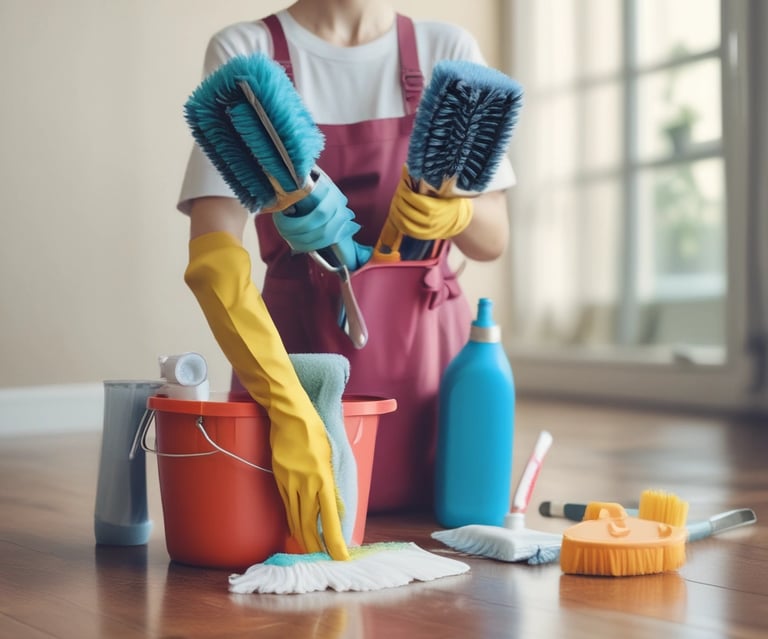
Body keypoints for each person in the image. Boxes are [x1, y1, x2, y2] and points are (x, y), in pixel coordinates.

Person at [177, 0, 515, 560]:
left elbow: (493, 237)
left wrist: (455, 213)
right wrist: (288, 410)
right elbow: (214, 254)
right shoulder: (247, 50)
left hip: (429, 377)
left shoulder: (445, 50)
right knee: (294, 521)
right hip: (298, 371)